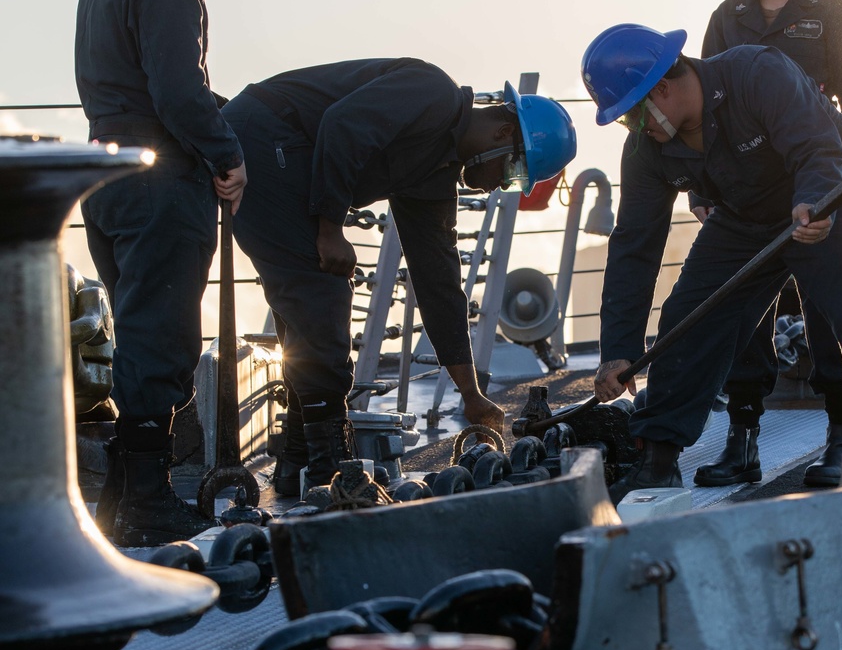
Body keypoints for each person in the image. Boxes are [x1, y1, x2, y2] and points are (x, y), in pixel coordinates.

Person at [583, 24, 842, 514]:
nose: (633, 129)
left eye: (633, 116)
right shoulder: (647, 149)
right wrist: (618, 353)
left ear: (660, 87)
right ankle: (657, 462)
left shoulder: (757, 73)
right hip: (745, 218)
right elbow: (634, 248)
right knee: (689, 318)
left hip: (832, 196)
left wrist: (815, 202)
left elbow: (817, 148)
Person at [221, 62, 577, 493]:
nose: (499, 186)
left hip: (285, 155)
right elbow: (342, 125)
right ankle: (327, 468)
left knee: (308, 309)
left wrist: (471, 393)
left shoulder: (433, 172)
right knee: (320, 293)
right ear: (503, 133)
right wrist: (330, 227)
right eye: (514, 172)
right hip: (265, 136)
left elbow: (437, 280)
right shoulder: (432, 93)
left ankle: (300, 463)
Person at [76, 0, 260, 547]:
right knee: (165, 337)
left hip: (106, 178)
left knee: (137, 332)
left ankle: (120, 502)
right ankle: (147, 504)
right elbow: (180, 91)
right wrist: (227, 155)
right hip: (161, 180)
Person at [695, 0, 842, 491]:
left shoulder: (830, 11)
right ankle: (742, 436)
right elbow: (702, 106)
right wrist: (702, 184)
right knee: (742, 306)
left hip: (817, 173)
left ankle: (841, 435)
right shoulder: (726, 20)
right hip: (748, 186)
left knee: (830, 306)